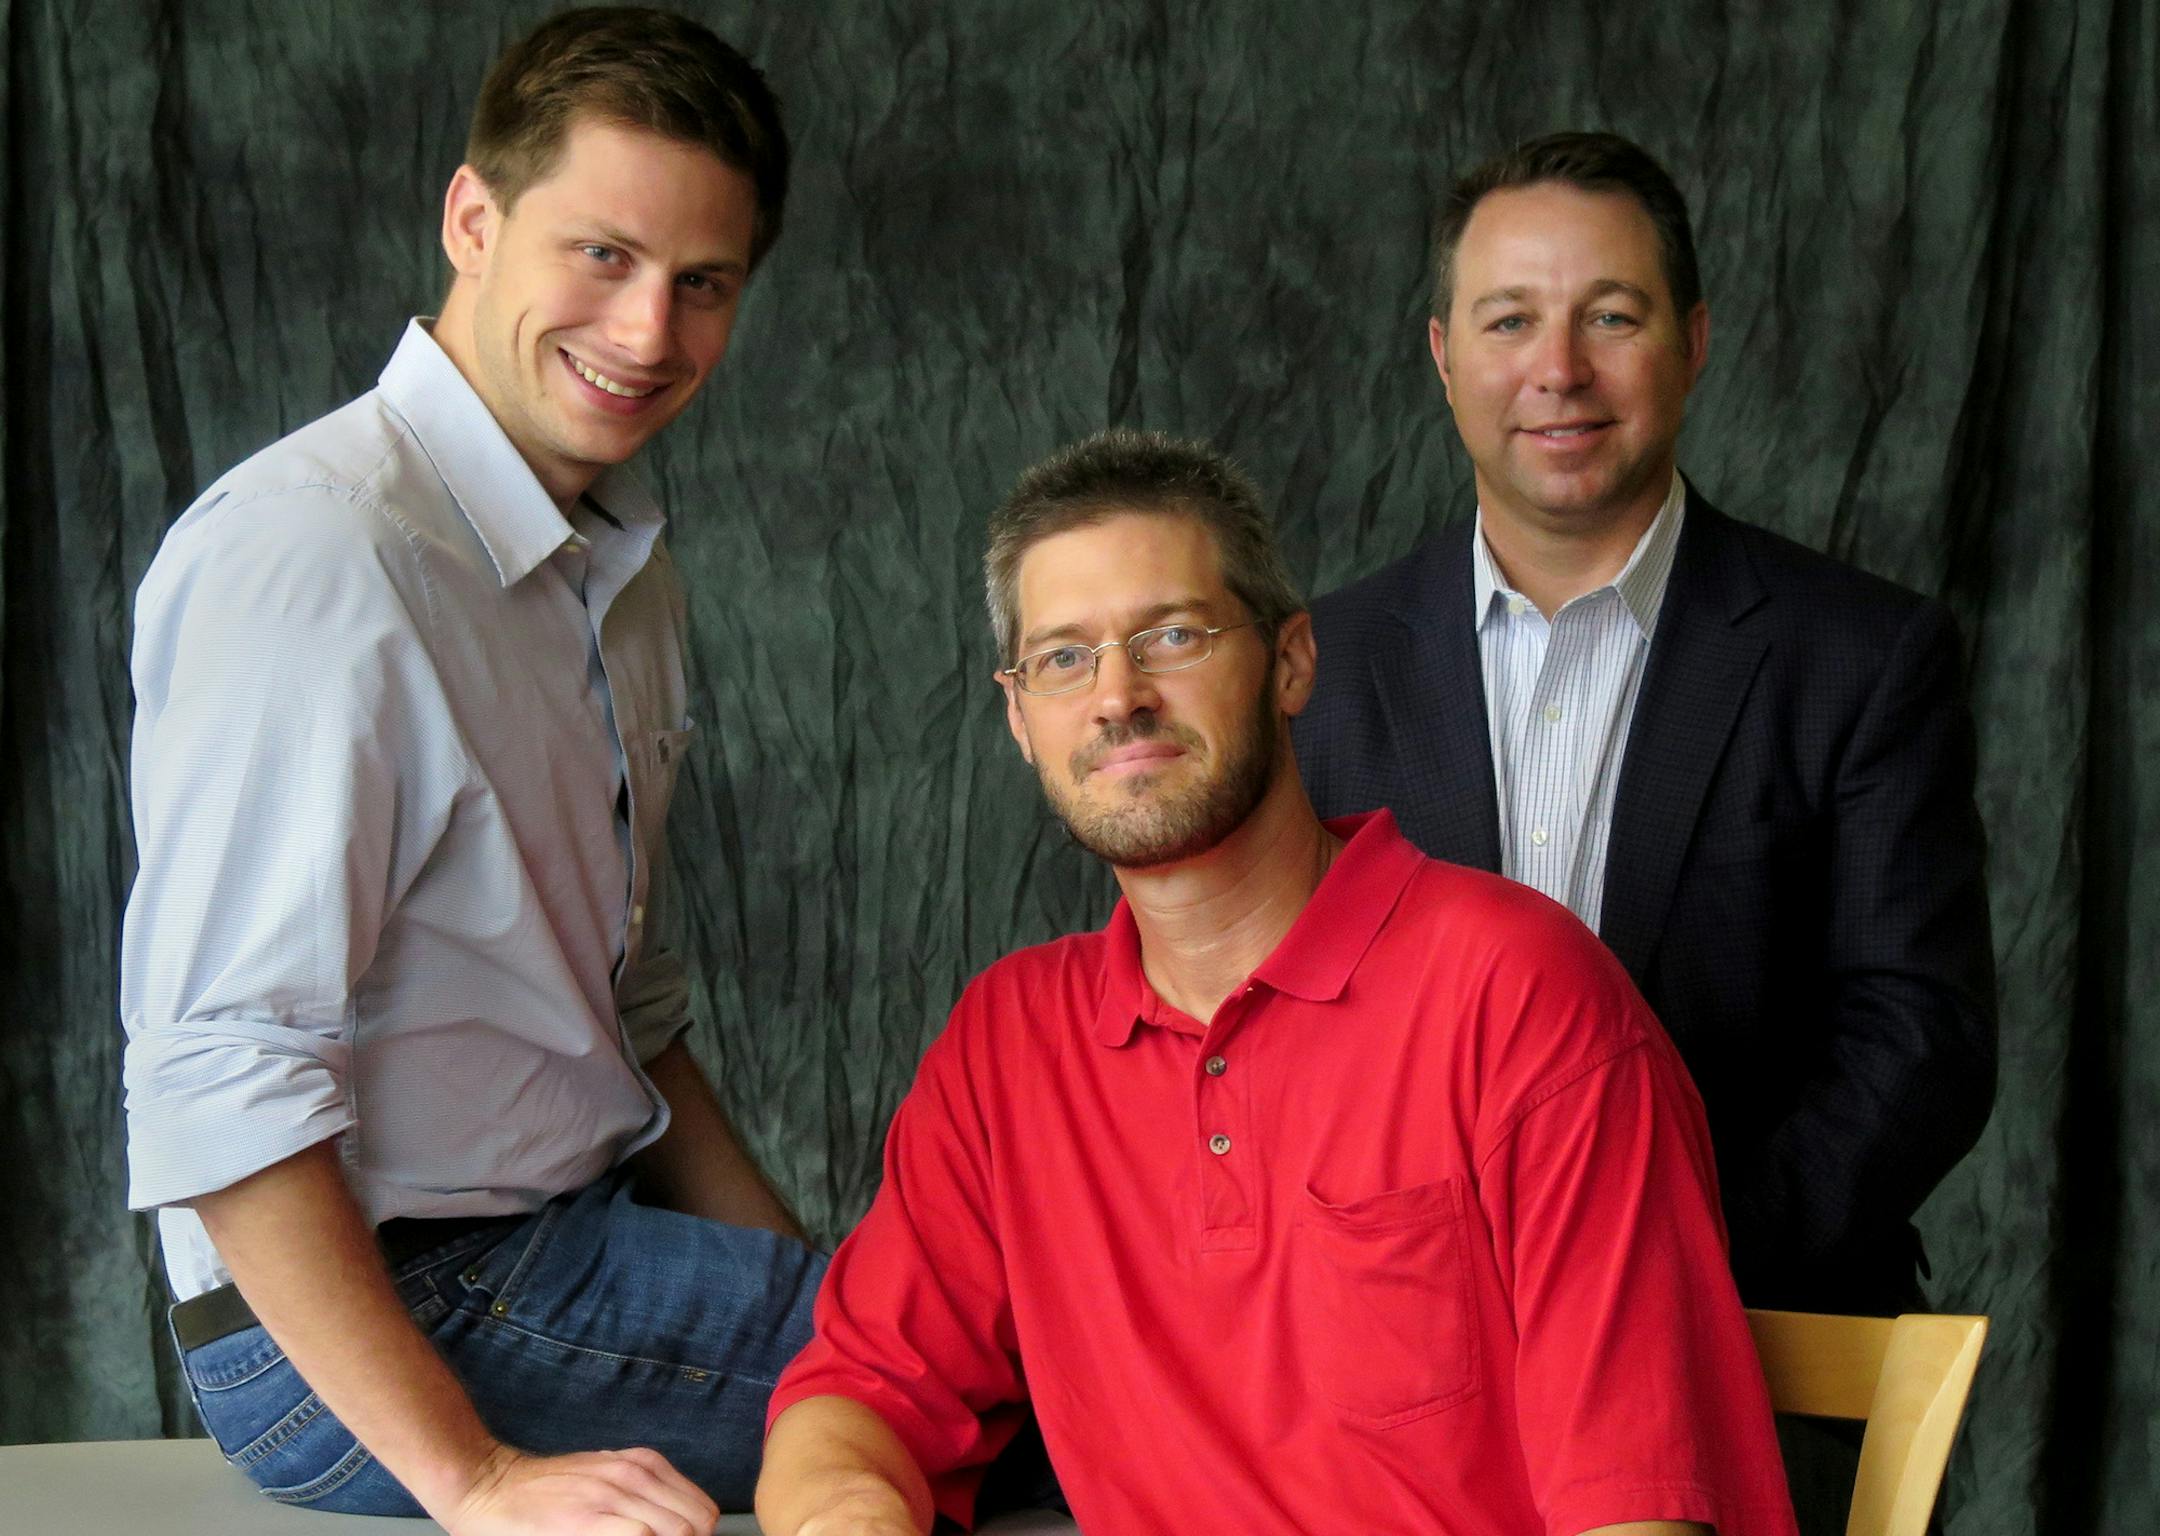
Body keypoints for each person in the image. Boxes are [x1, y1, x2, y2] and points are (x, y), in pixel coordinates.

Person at [754, 429, 1799, 1536]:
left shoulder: (1516, 993)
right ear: (1020, 719)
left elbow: (1641, 1509)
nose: (1118, 697)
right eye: (1064, 657)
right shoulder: (1007, 1045)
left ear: (1292, 662)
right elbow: (855, 1398)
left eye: (1171, 635)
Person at [120, 11, 817, 1532]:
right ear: (473, 220)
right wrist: (478, 1479)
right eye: (602, 256)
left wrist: (827, 1304)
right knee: (1044, 1390)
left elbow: (635, 1023)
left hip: (559, 1242)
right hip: (372, 1327)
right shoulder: (319, 552)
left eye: (703, 284)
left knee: (962, 1354)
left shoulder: (617, 570)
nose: (647, 333)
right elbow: (215, 1076)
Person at [1294, 132, 1997, 1319]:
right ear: (1442, 357)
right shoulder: (1319, 664)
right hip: (1388, 1362)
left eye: (1611, 317)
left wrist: (1666, 1273)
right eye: (1509, 321)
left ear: (1695, 342)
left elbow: (1917, 1039)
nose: (1558, 369)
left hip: (1753, 1329)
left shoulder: (1865, 658)